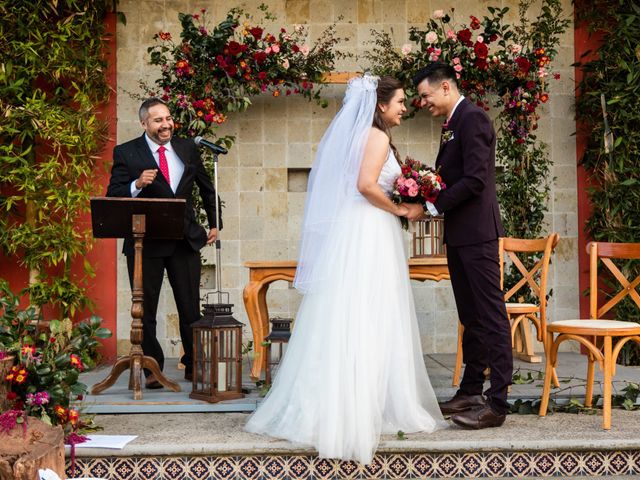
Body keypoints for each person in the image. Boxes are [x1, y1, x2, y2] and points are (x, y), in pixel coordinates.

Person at [245, 75, 446, 464]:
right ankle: (358, 408)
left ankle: (357, 400)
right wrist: (402, 208)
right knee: (368, 314)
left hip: (365, 230)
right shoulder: (377, 137)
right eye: (401, 102)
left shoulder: (365, 137)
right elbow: (367, 186)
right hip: (369, 230)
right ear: (381, 105)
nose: (405, 108)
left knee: (356, 313)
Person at [405, 63, 512, 429]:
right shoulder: (453, 123)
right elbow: (452, 176)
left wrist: (432, 206)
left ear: (446, 87)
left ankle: (497, 402)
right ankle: (470, 390)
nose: (424, 102)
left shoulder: (473, 119)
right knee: (470, 316)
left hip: (479, 233)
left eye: (426, 95)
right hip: (460, 234)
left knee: (491, 315)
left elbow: (477, 180)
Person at [106, 97, 221, 389]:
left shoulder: (188, 148)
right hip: (146, 242)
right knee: (145, 310)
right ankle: (151, 369)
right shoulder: (126, 152)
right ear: (144, 123)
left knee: (190, 308)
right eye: (158, 120)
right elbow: (113, 194)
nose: (166, 124)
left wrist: (215, 221)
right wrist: (137, 184)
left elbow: (207, 188)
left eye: (168, 118)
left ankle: (195, 366)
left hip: (184, 240)